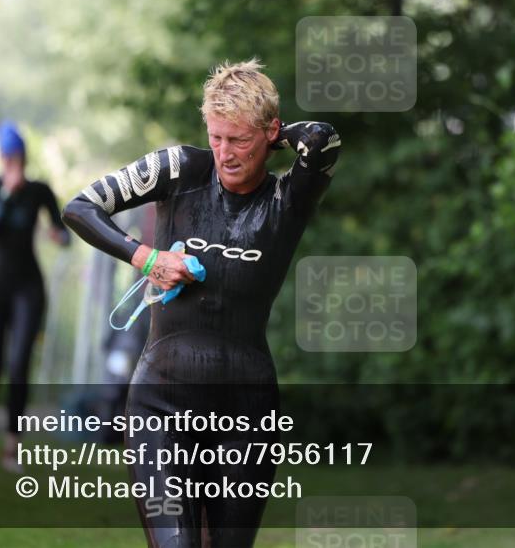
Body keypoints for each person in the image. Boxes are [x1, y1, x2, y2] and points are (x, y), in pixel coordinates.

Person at [62, 59, 340, 548]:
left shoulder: (289, 197)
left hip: (246, 414)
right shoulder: (179, 169)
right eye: (216, 137)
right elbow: (80, 208)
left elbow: (321, 138)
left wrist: (275, 131)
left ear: (270, 135)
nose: (224, 154)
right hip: (160, 408)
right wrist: (146, 258)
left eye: (239, 140)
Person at [0, 120, 70, 472]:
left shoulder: (39, 190)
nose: (14, 162)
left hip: (27, 288)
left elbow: (62, 231)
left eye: (19, 156)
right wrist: (5, 195)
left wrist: (59, 236)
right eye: (9, 156)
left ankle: (11, 448)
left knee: (18, 368)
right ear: (0, 157)